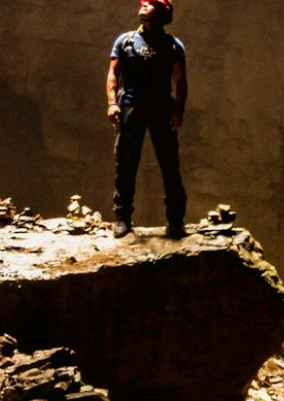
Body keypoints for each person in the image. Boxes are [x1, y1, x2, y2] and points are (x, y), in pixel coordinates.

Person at [106, 0, 188, 238]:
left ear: (162, 12)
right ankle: (122, 217)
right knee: (126, 163)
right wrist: (112, 103)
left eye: (150, 3)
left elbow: (180, 80)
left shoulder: (172, 45)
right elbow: (113, 74)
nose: (143, 4)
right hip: (131, 107)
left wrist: (179, 110)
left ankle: (175, 220)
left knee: (170, 163)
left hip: (162, 108)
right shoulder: (126, 41)